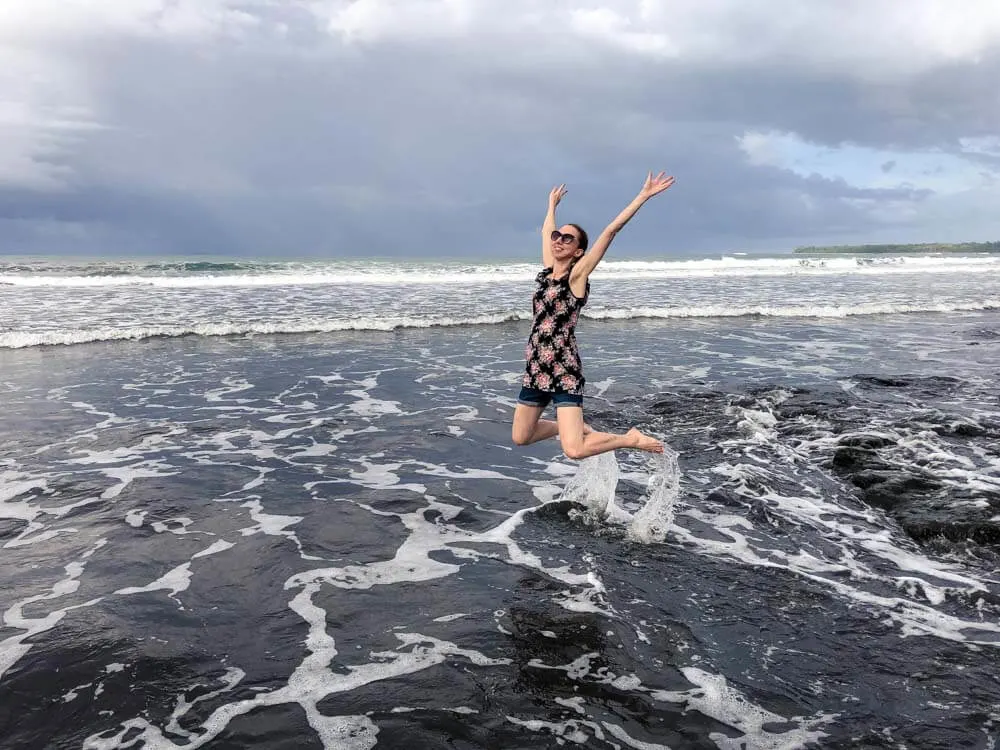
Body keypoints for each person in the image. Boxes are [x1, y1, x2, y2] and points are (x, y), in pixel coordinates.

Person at [511, 171, 676, 459]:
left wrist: (643, 196)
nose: (558, 240)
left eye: (567, 238)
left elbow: (610, 231)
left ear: (578, 251)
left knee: (574, 451)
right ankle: (573, 427)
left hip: (564, 370)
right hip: (536, 368)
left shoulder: (576, 278)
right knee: (521, 436)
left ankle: (631, 439)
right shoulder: (549, 271)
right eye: (556, 236)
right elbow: (545, 231)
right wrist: (552, 206)